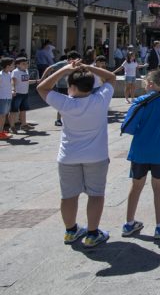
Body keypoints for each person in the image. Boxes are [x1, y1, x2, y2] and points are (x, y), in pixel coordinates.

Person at [37, 59, 116, 247]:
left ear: (72, 87)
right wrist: (88, 67)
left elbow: (42, 88)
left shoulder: (65, 103)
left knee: (68, 195)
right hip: (96, 156)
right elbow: (111, 78)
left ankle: (71, 231)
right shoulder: (100, 99)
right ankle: (92, 233)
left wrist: (64, 70)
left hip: (68, 156)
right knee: (96, 194)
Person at [121, 70, 160, 240]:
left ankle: (129, 223)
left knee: (136, 186)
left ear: (151, 84)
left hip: (139, 150)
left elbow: (129, 127)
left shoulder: (141, 101)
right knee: (159, 187)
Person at [10, 57, 36, 132]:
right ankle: (12, 127)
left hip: (25, 93)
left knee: (23, 110)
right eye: (23, 64)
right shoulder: (15, 72)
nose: (26, 65)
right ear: (18, 65)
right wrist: (13, 90)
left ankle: (24, 125)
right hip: (17, 94)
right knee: (13, 111)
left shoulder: (26, 71)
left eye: (27, 63)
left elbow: (26, 81)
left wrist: (36, 81)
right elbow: (13, 81)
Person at [0, 57, 13, 139]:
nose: (13, 66)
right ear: (8, 66)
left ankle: (1, 131)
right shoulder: (0, 75)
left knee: (4, 115)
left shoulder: (9, 74)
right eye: (12, 65)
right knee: (2, 116)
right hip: (2, 98)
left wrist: (12, 91)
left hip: (8, 97)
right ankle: (0, 133)